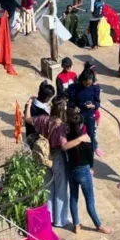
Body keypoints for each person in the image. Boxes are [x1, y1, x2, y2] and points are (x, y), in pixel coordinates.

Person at [63, 108, 112, 235]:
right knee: (89, 200)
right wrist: (91, 167)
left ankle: (76, 224)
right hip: (83, 171)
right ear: (81, 125)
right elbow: (90, 157)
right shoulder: (86, 139)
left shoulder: (68, 137)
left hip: (71, 170)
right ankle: (98, 225)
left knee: (73, 198)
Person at [24, 96, 69, 228]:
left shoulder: (44, 119)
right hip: (57, 156)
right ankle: (60, 220)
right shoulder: (63, 126)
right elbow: (64, 145)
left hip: (44, 155)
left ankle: (48, 218)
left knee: (48, 187)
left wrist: (29, 104)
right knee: (60, 188)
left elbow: (27, 119)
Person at [70, 69, 103, 157]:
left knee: (91, 133)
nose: (88, 85)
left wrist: (94, 106)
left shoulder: (95, 88)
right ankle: (78, 149)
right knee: (78, 132)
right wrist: (77, 106)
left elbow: (97, 102)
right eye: (86, 83)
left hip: (89, 114)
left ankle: (92, 149)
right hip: (79, 114)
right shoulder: (75, 88)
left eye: (90, 83)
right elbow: (72, 102)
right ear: (82, 81)